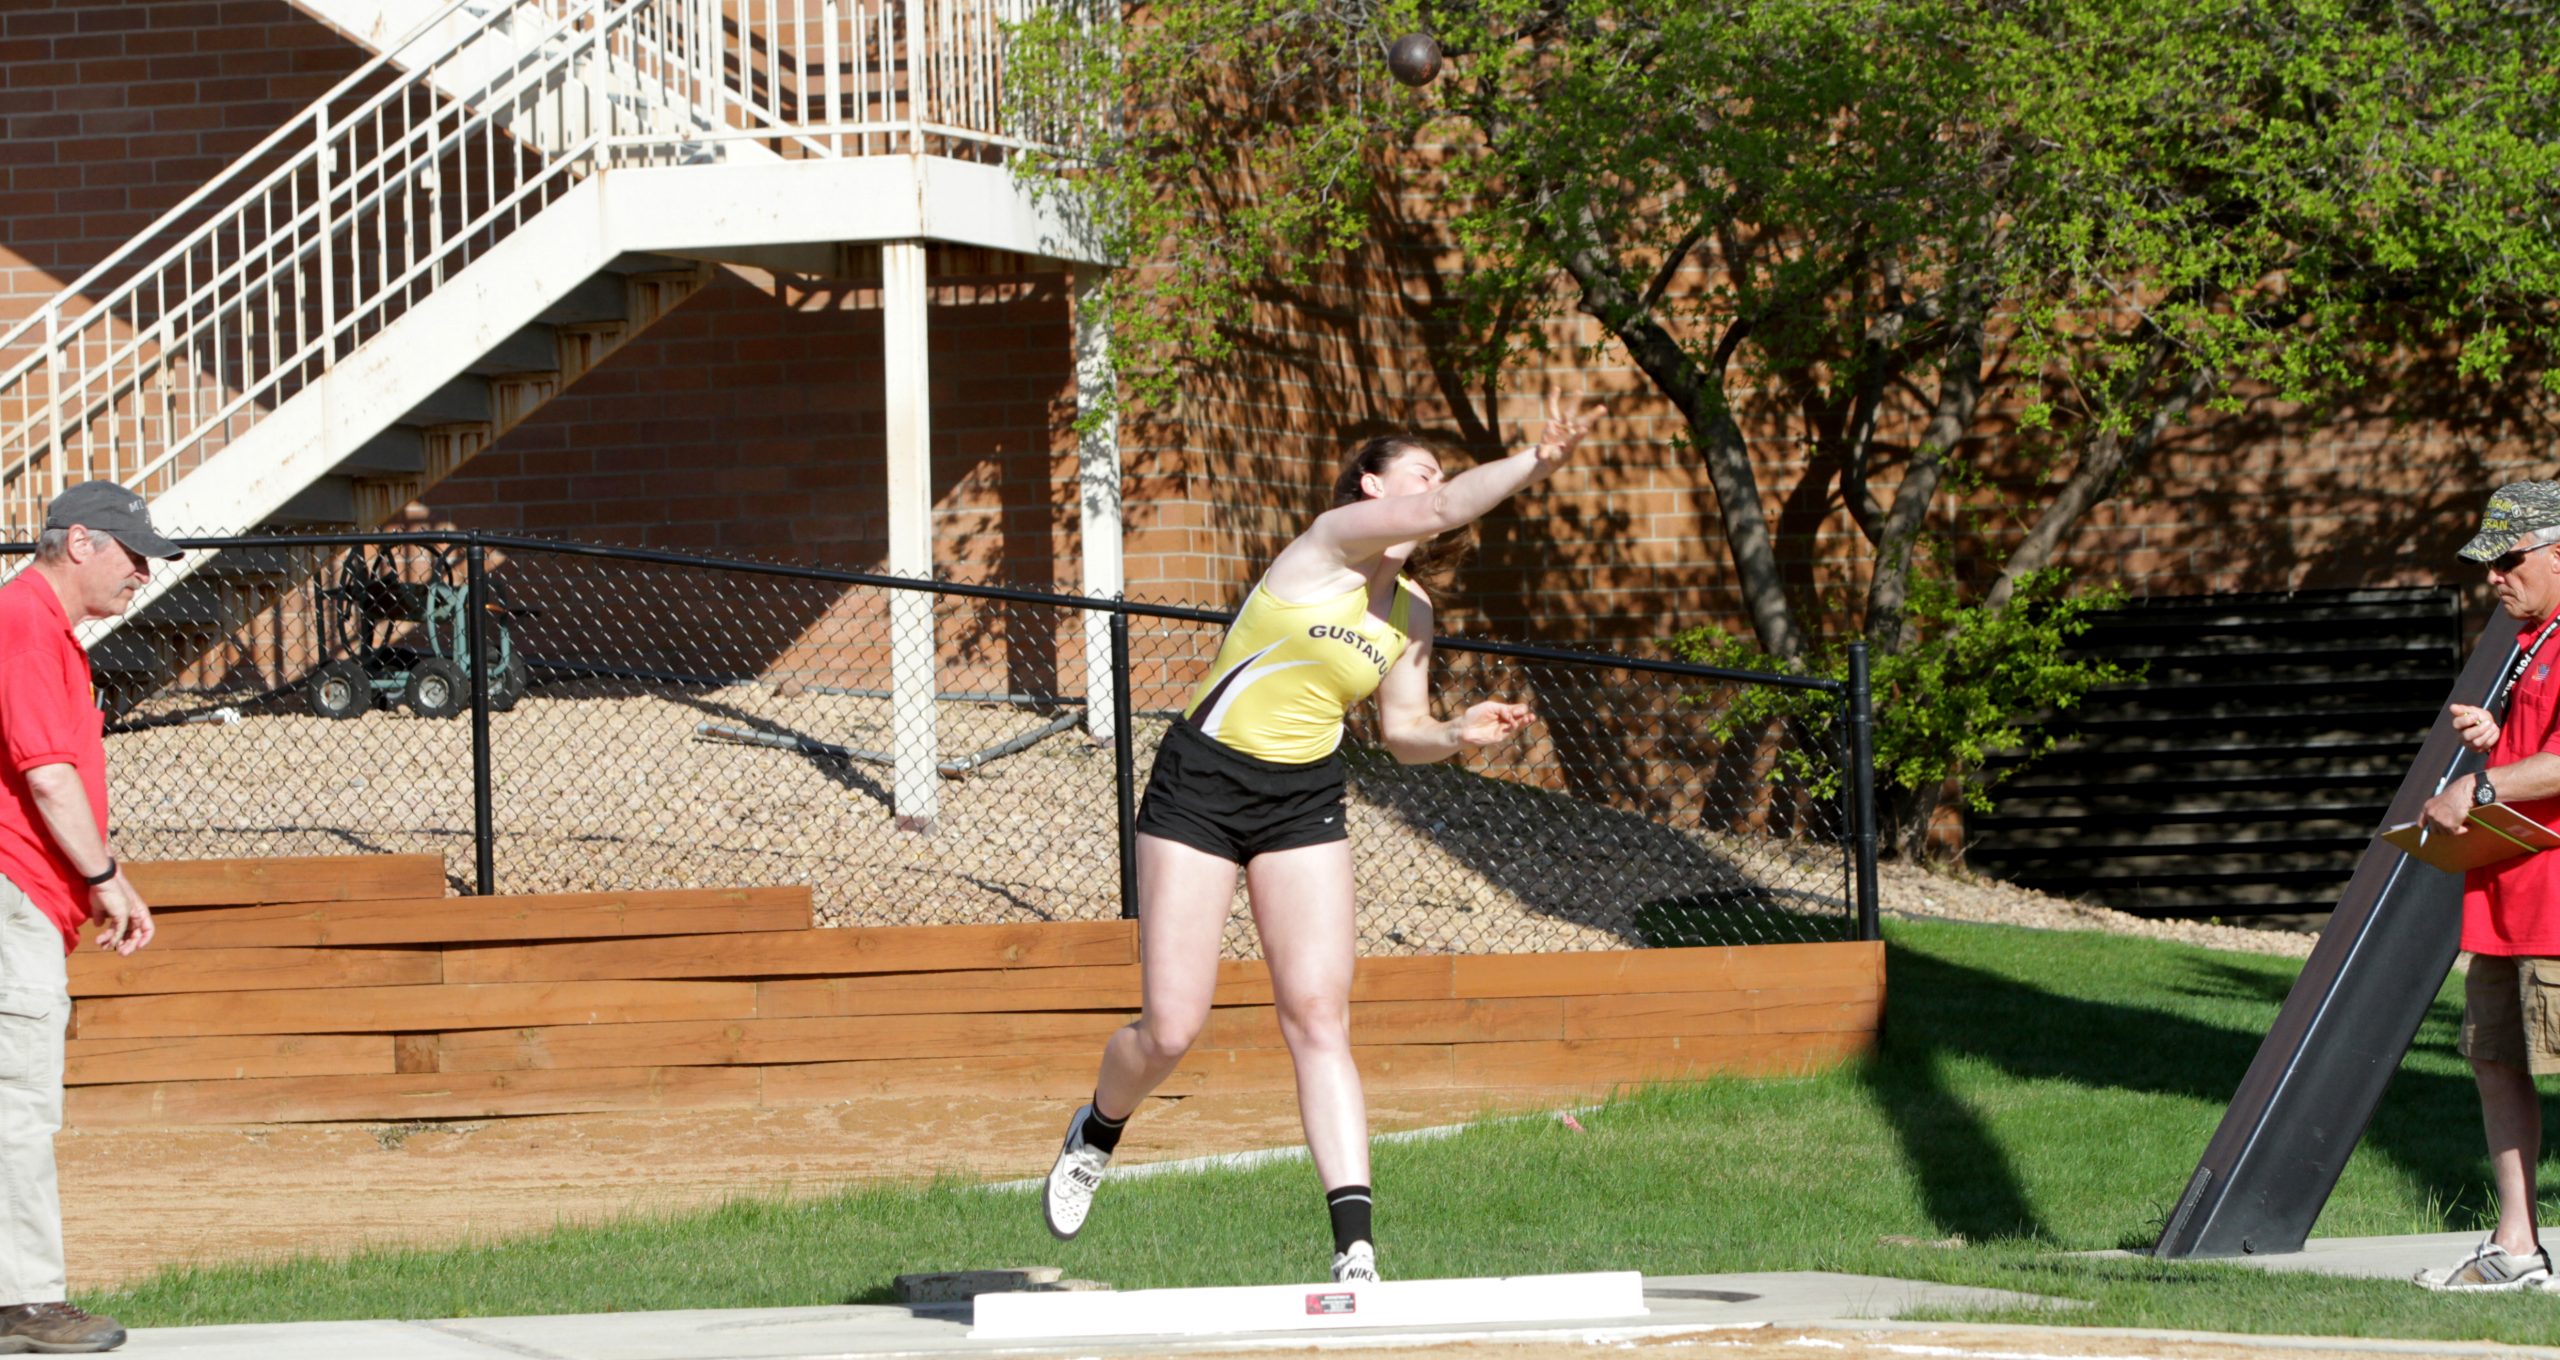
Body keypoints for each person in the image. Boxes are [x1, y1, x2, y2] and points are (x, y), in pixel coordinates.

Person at [1041, 394, 1600, 1284]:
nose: (1436, 490)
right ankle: (1098, 1127)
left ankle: (1357, 1253)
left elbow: (1404, 730)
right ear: (1373, 485)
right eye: (1421, 473)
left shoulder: (1409, 612)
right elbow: (1444, 509)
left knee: (1317, 1014)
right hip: (1204, 783)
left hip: (1302, 798)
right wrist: (1537, 459)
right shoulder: (1330, 542)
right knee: (1173, 1027)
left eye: (1438, 479)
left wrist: (1459, 733)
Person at [0, 481, 178, 1352]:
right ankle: (25, 1304)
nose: (144, 572)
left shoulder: (40, 627)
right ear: (81, 543)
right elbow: (46, 771)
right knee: (17, 1104)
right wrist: (105, 877)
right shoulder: (25, 622)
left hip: (27, 896)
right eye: (134, 554)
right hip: (13, 894)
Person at [2415, 480, 2560, 1293]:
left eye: (2508, 560)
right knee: (2497, 1062)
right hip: (2505, 899)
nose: (2494, 579)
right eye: (2488, 566)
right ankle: (2518, 1247)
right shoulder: (2532, 642)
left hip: (2556, 904)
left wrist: (2482, 785)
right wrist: (2500, 737)